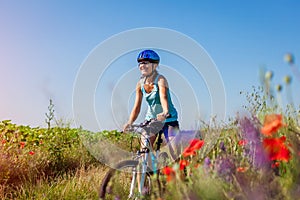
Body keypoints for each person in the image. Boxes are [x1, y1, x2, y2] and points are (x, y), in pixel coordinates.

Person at [123, 49, 179, 155]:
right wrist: (129, 122)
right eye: (140, 63)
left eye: (145, 63)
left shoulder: (160, 80)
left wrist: (165, 112)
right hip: (151, 120)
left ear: (154, 65)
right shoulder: (140, 84)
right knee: (144, 151)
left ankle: (180, 171)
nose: (142, 65)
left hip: (168, 119)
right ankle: (147, 170)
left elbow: (163, 97)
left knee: (174, 152)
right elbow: (137, 107)